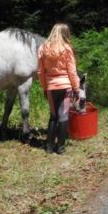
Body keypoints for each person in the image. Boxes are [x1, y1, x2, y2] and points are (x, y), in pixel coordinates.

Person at [38, 23, 81, 154]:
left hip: (51, 86)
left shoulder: (43, 48)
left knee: (53, 115)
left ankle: (49, 147)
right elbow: (72, 71)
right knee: (63, 116)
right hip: (66, 86)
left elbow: (40, 72)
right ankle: (61, 147)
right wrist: (76, 89)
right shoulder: (67, 48)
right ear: (65, 34)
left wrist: (45, 88)